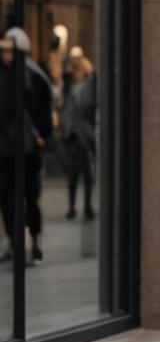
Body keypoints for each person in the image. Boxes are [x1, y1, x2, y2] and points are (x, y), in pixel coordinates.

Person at [0, 31, 52, 264]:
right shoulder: (4, 75)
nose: (7, 56)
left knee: (30, 196)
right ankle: (14, 239)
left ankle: (35, 239)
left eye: (10, 51)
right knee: (7, 197)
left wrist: (42, 134)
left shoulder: (32, 76)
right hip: (6, 148)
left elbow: (43, 108)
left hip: (27, 148)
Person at [60, 48, 97, 221]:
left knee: (87, 174)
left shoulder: (89, 86)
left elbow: (90, 101)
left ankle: (87, 206)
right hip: (74, 135)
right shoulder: (70, 87)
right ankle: (72, 206)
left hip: (85, 135)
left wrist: (91, 72)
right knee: (74, 175)